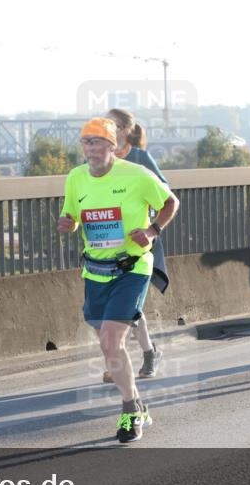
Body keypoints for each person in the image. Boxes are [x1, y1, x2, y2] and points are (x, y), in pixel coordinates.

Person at [58, 117, 179, 443]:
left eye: (97, 142)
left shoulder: (136, 175)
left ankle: (129, 412)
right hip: (95, 271)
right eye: (86, 142)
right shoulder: (76, 178)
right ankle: (137, 402)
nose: (91, 149)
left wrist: (152, 230)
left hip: (132, 268)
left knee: (112, 342)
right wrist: (68, 223)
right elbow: (72, 215)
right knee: (108, 346)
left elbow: (171, 202)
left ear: (113, 146)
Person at [99, 108, 168, 381]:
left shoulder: (140, 158)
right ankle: (148, 352)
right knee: (116, 305)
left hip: (138, 242)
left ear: (126, 130)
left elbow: (165, 193)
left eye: (114, 125)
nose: (108, 129)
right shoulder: (100, 158)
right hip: (108, 243)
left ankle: (124, 361)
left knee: (125, 304)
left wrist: (150, 228)